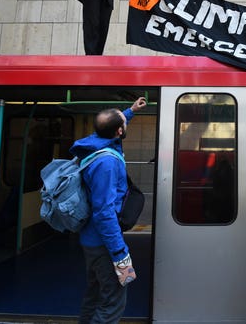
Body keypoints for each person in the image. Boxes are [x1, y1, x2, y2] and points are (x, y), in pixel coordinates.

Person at [69, 97, 146, 323]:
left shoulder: (95, 143)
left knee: (94, 294)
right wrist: (120, 253)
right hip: (105, 244)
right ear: (119, 132)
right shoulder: (108, 164)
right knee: (113, 300)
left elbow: (112, 129)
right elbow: (104, 213)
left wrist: (130, 111)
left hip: (91, 240)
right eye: (123, 123)